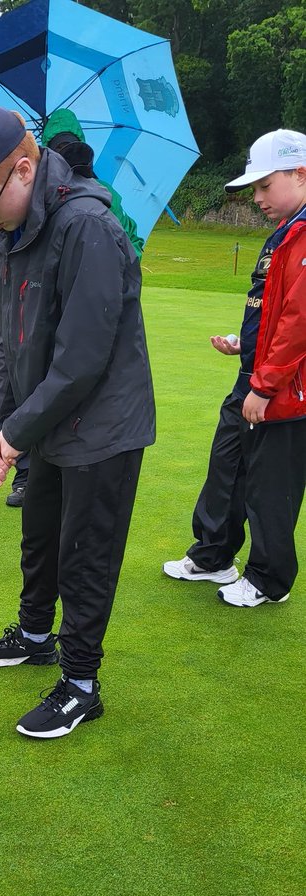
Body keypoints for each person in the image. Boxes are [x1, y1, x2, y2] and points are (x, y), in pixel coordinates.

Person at [0, 104, 155, 739]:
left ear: (25, 170)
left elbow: (82, 361)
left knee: (86, 555)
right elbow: (12, 343)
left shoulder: (88, 226)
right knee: (39, 537)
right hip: (49, 420)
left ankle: (81, 684)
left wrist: (15, 433)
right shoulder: (8, 236)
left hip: (104, 424)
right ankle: (35, 636)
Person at [163, 128, 306, 607]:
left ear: (300, 173)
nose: (258, 196)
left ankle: (269, 580)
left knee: (270, 484)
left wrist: (264, 384)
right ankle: (213, 556)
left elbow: (299, 322)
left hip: (286, 389)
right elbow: (271, 311)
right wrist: (242, 345)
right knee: (227, 464)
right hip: (256, 375)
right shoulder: (285, 234)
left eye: (266, 185)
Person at [2, 110, 144, 509]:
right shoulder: (24, 218)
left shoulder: (93, 208)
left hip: (97, 415)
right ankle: (29, 472)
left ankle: (27, 470)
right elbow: (10, 342)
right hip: (53, 395)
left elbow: (82, 355)